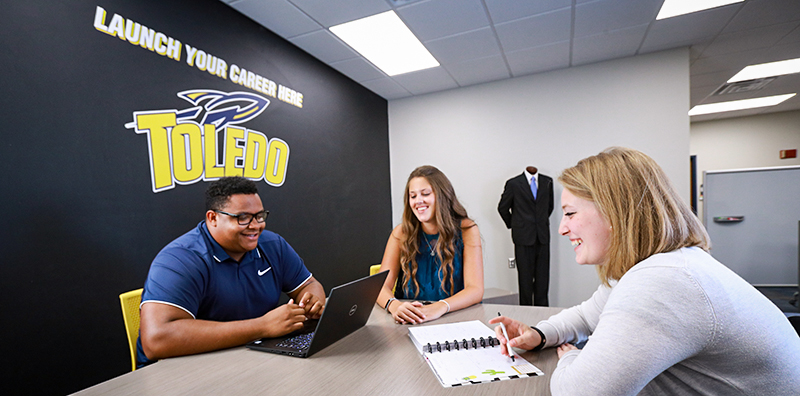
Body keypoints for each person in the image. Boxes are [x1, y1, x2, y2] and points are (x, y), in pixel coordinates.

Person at [490, 147, 800, 395]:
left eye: (570, 213)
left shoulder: (663, 281)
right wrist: (540, 334)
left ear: (614, 211)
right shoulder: (654, 265)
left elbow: (578, 391)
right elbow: (587, 315)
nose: (561, 228)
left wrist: (572, 356)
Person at [137, 177, 325, 367]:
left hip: (249, 359)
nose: (255, 226)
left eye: (259, 216)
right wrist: (263, 326)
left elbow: (308, 284)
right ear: (213, 218)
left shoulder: (272, 245)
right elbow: (157, 340)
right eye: (242, 218)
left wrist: (312, 301)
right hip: (179, 372)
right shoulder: (179, 259)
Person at [376, 165, 484, 324]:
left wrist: (441, 307)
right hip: (411, 321)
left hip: (455, 318)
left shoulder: (467, 229)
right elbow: (379, 287)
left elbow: (475, 290)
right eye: (412, 196)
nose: (418, 201)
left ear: (442, 195)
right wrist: (395, 306)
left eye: (425, 194)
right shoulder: (400, 233)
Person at [498, 166, 554, 306]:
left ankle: (543, 317)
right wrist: (515, 224)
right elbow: (502, 207)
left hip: (542, 236)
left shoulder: (547, 182)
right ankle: (526, 315)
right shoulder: (514, 183)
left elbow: (549, 207)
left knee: (543, 280)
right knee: (525, 281)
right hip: (522, 237)